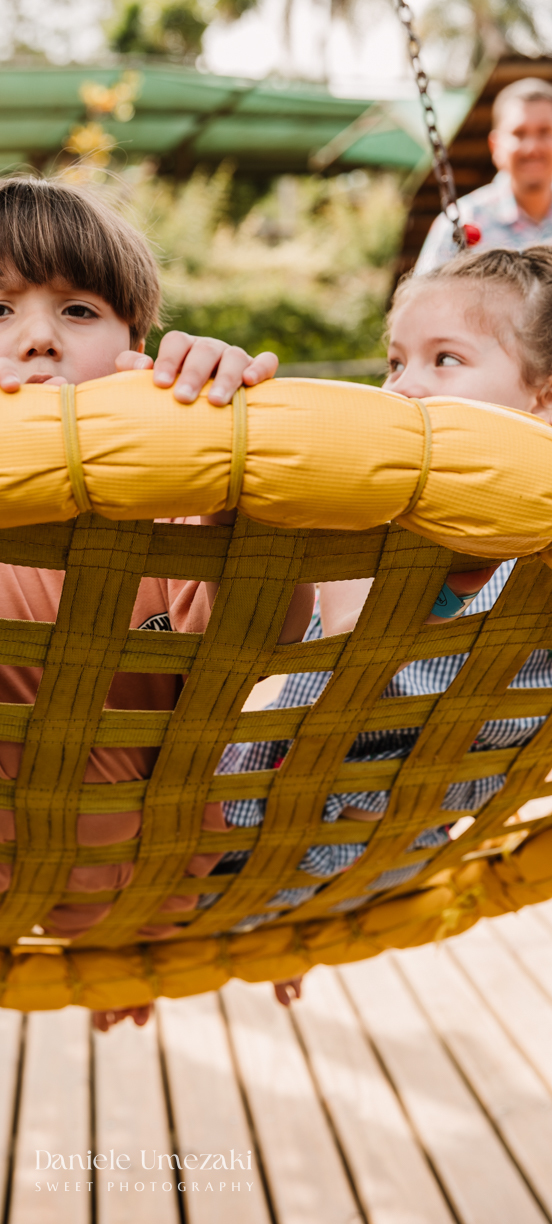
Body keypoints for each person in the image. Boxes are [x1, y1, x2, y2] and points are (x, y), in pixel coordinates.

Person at [0, 176, 314, 1020]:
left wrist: (228, 445)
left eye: (79, 311)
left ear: (140, 353)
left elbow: (265, 626)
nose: (41, 338)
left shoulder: (177, 509)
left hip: (145, 881)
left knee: (134, 970)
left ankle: (123, 975)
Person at [216, 246, 552, 981]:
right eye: (396, 363)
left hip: (374, 845)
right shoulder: (377, 520)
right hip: (261, 824)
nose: (402, 387)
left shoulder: (521, 569)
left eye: (445, 361)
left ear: (543, 397)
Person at [416, 78, 552, 273]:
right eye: (519, 133)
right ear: (495, 146)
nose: (532, 148)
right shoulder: (459, 225)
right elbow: (423, 301)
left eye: (545, 132)